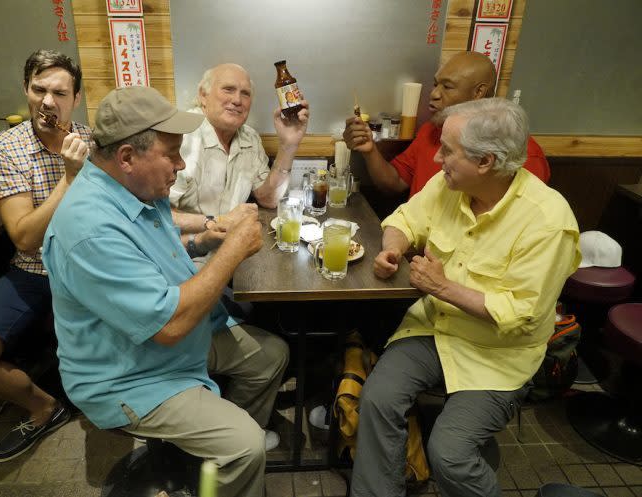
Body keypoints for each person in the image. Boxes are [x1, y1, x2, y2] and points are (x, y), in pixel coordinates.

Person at [42, 86, 290, 497]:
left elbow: (155, 258)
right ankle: (230, 456)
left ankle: (207, 455)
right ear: (126, 157)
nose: (180, 165)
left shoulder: (133, 188)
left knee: (270, 357)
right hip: (128, 375)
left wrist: (203, 242)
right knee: (244, 447)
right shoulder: (89, 228)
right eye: (172, 154)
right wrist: (230, 251)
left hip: (167, 346)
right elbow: (170, 326)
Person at [352, 98, 580, 497]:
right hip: (435, 329)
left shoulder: (547, 221)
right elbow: (405, 219)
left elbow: (521, 313)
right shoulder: (450, 185)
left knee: (450, 454)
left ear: (486, 161)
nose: (437, 158)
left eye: (448, 151)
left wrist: (442, 287)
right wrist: (393, 247)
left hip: (498, 354)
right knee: (377, 399)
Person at [0, 50, 93, 462]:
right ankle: (44, 406)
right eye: (38, 89)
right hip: (36, 270)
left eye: (59, 92)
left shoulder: (94, 141)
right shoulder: (5, 149)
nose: (47, 101)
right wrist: (70, 176)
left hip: (89, 268)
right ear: (26, 91)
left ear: (75, 98)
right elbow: (24, 237)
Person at [343, 51, 550, 199]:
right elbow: (395, 183)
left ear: (478, 92)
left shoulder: (519, 153)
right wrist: (370, 150)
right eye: (435, 84)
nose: (434, 94)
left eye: (447, 87)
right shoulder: (432, 131)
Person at [169, 62, 310, 224]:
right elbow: (159, 213)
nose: (237, 100)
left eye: (245, 94)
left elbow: (269, 199)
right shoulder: (181, 137)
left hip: (234, 239)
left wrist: (288, 145)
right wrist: (217, 223)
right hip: (187, 245)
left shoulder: (249, 138)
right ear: (203, 95)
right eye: (228, 89)